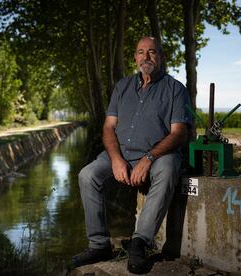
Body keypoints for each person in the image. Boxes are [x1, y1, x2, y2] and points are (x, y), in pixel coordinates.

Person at [72, 36, 191, 274]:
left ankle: (139, 243)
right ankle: (99, 245)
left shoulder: (176, 90)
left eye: (152, 52)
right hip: (121, 153)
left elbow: (179, 134)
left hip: (158, 156)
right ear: (135, 57)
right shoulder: (122, 86)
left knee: (168, 169)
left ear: (162, 57)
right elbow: (108, 127)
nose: (146, 57)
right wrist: (116, 159)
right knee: (87, 175)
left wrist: (148, 158)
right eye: (141, 52)